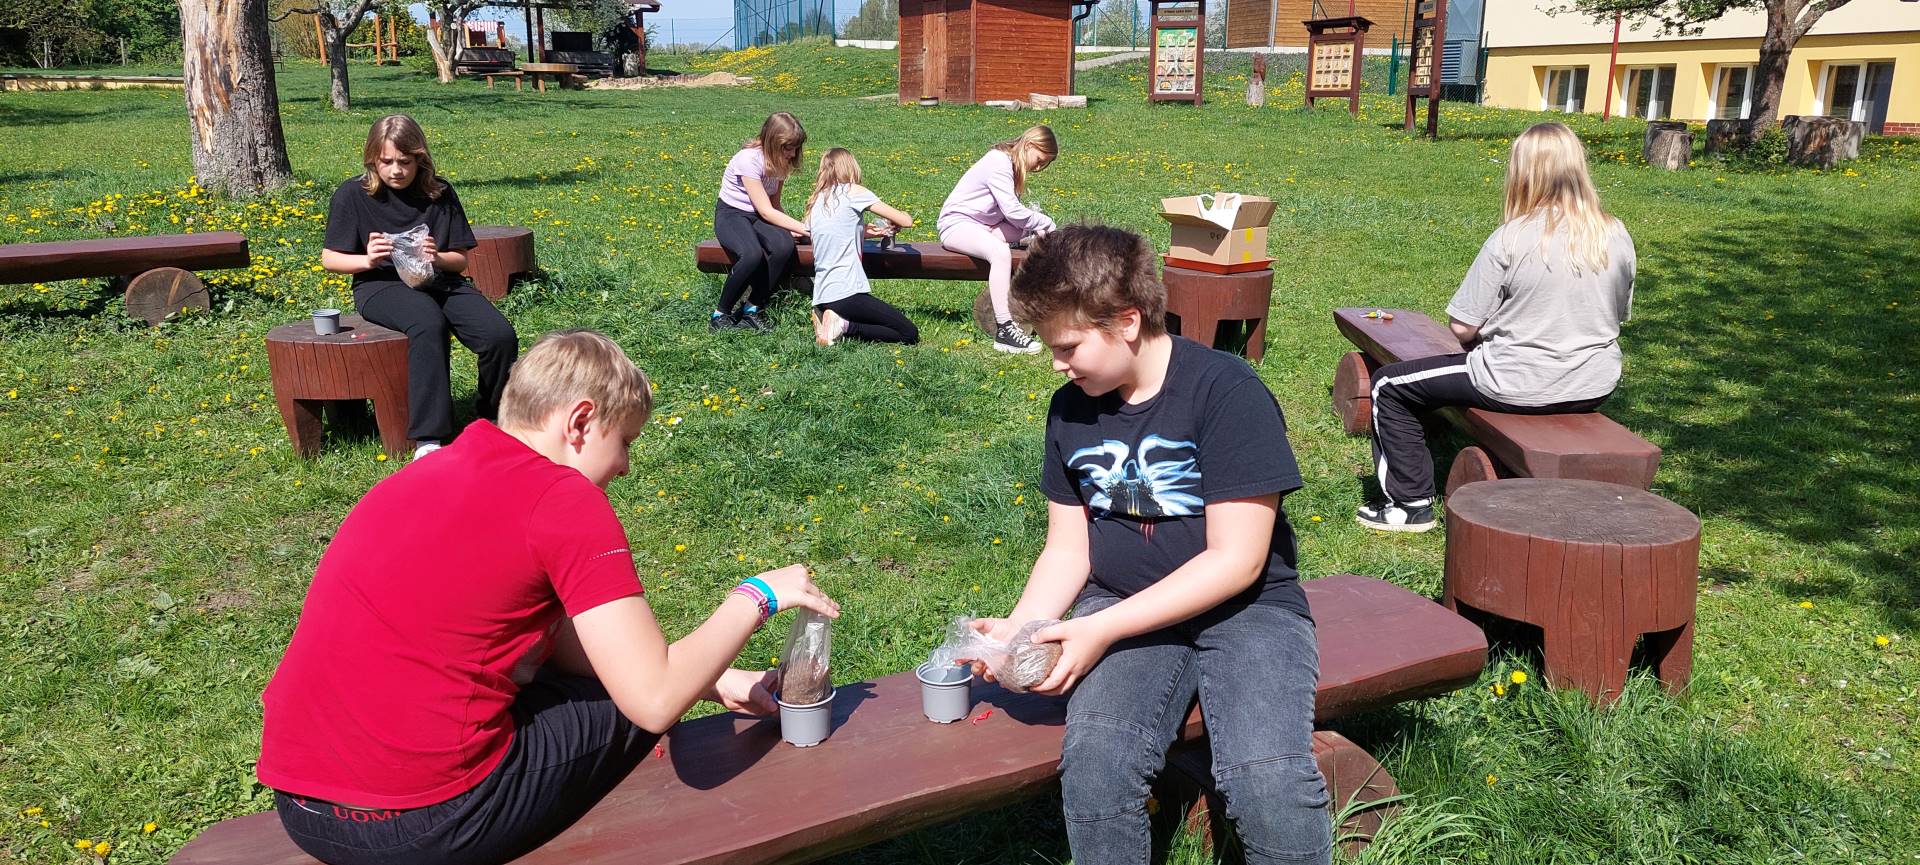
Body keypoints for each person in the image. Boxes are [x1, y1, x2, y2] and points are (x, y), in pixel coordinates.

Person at [257, 330, 840, 865]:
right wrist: (757, 595)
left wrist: (714, 681)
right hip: (419, 821)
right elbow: (654, 700)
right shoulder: (563, 499)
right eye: (625, 441)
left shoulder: (430, 473)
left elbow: (544, 638)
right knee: (627, 709)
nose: (625, 467)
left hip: (302, 805)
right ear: (580, 422)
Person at [970, 225, 1331, 864]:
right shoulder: (1071, 410)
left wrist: (1100, 630)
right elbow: (1067, 550)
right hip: (1119, 603)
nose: (1057, 364)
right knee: (1097, 766)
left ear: (1127, 321)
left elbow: (1238, 560)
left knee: (1266, 780)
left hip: (1248, 613)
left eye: (1068, 346)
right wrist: (1022, 629)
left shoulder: (1225, 392)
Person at [1357, 122, 1636, 532]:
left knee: (1388, 385)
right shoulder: (1615, 233)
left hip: (1513, 382)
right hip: (1591, 385)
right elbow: (1618, 314)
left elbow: (1461, 327)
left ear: (1523, 173)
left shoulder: (1511, 238)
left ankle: (1409, 504)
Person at [323, 114, 519, 460]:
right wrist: (368, 259)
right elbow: (330, 259)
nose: (396, 170)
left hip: (440, 280)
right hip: (380, 284)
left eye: (405, 162)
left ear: (420, 159)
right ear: (372, 159)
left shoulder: (439, 193)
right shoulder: (352, 194)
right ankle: (429, 437)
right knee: (428, 323)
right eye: (386, 162)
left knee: (498, 335)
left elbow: (460, 260)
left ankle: (493, 416)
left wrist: (438, 257)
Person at [938, 125, 1059, 354]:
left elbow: (1010, 216)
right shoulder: (999, 162)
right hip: (956, 225)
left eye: (1044, 165)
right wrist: (1045, 222)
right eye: (1039, 160)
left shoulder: (1011, 165)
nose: (1038, 168)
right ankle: (1005, 330)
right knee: (1000, 252)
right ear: (1029, 145)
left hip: (984, 226)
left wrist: (1036, 230)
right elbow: (1012, 211)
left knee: (1029, 235)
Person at [803, 147, 919, 346]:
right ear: (851, 167)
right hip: (846, 292)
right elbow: (905, 221)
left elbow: (831, 231)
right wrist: (903, 216)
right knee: (909, 333)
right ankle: (843, 325)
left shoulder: (818, 199)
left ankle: (827, 320)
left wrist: (863, 231)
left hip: (822, 294)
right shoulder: (853, 191)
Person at [711, 112, 809, 333]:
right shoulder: (748, 160)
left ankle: (752, 309)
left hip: (758, 217)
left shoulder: (781, 163)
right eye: (788, 148)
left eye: (796, 148)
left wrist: (790, 229)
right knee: (752, 254)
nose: (793, 154)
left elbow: (774, 205)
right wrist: (807, 229)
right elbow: (766, 210)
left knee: (784, 246)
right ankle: (720, 314)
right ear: (772, 141)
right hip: (732, 215)